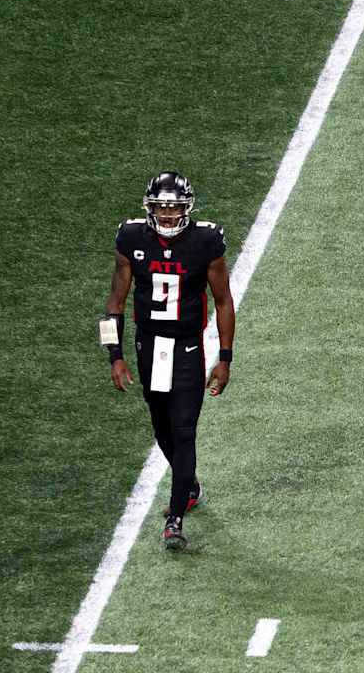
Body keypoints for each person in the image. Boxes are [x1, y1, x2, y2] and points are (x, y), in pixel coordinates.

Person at [100, 171, 234, 550]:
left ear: (187, 209)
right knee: (162, 427)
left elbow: (224, 301)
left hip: (187, 348)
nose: (168, 214)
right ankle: (187, 485)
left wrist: (225, 358)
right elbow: (113, 304)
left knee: (184, 430)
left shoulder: (206, 242)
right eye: (161, 207)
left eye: (174, 208)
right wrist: (114, 355)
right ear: (150, 208)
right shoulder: (131, 239)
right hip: (148, 347)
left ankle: (175, 520)